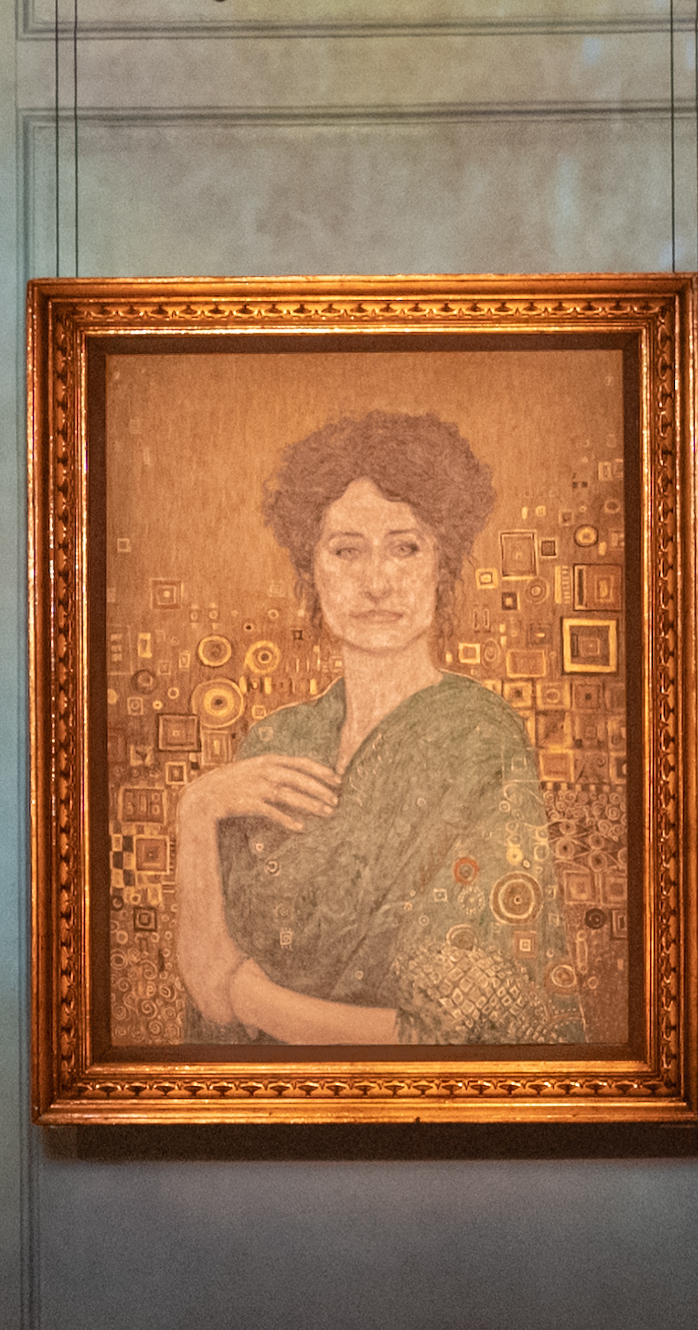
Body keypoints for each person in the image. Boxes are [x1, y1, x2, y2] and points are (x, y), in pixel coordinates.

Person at [161, 408, 575, 1045]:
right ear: (312, 569)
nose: (377, 581)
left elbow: (451, 1038)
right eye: (346, 551)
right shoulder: (276, 741)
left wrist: (247, 997)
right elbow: (202, 982)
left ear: (443, 565)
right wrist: (196, 807)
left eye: (405, 547)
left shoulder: (479, 741)